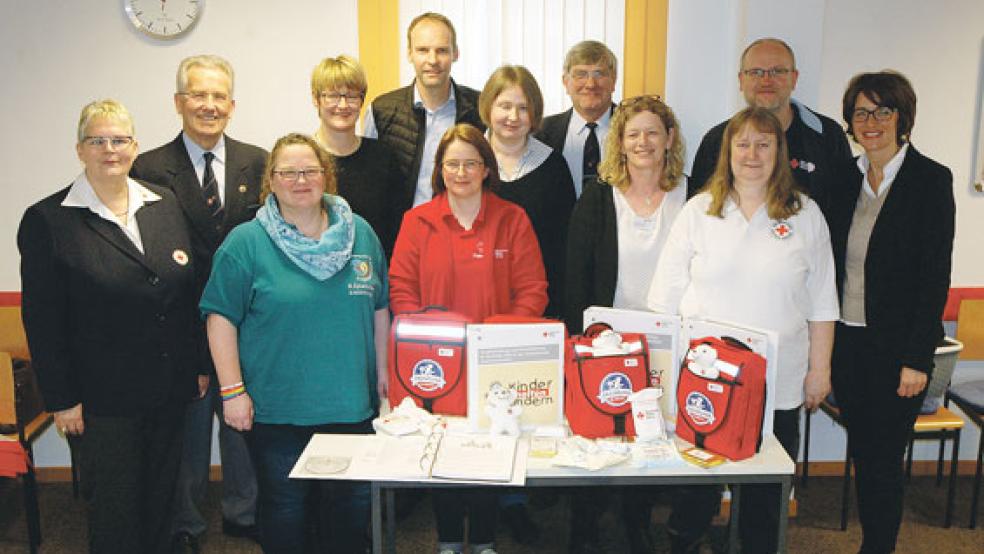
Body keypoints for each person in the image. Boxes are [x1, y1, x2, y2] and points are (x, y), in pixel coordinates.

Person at [649, 107, 839, 554]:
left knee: (765, 495)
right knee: (696, 491)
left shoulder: (805, 214)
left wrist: (820, 369)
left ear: (779, 152)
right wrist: (662, 371)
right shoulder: (699, 211)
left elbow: (823, 301)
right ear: (727, 152)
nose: (752, 154)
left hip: (780, 380)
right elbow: (663, 300)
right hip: (705, 378)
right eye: (743, 144)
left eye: (764, 144)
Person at [18, 99, 204, 554]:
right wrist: (61, 399)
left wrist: (197, 365)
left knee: (163, 499)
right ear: (79, 150)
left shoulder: (163, 204)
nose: (109, 150)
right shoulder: (49, 220)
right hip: (103, 398)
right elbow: (42, 319)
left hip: (168, 386)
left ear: (135, 147)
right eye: (97, 140)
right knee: (117, 509)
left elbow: (187, 296)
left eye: (119, 140)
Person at [200, 133, 389, 554]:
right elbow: (220, 319)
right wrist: (232, 392)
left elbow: (380, 309)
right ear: (272, 180)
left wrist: (384, 380)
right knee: (286, 513)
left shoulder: (361, 234)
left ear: (327, 176)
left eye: (310, 170)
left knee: (350, 511)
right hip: (278, 410)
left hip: (350, 406)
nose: (300, 180)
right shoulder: (245, 242)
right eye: (288, 172)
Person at [389, 123, 548, 554]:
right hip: (436, 361)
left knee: (487, 449)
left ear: (486, 169)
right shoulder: (417, 221)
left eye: (470, 163)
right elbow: (401, 289)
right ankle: (445, 542)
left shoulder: (511, 219)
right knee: (443, 447)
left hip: (496, 360)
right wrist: (427, 340)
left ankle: (482, 541)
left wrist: (499, 341)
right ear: (439, 170)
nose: (461, 172)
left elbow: (533, 289)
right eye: (452, 163)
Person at [129, 54, 265, 552]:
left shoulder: (258, 161)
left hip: (245, 324)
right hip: (180, 326)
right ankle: (184, 521)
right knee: (186, 433)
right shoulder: (148, 168)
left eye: (218, 96)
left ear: (232, 104)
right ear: (179, 102)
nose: (209, 106)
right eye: (198, 95)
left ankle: (244, 513)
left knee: (243, 426)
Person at [829, 71, 955, 554]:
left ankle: (878, 547)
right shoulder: (846, 178)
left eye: (883, 110)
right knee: (865, 453)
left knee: (884, 461)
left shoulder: (930, 180)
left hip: (897, 352)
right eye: (861, 112)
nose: (871, 121)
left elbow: (933, 278)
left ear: (903, 117)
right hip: (849, 343)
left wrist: (916, 359)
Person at [564, 95, 687, 553]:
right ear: (620, 141)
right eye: (633, 133)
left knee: (650, 435)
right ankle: (584, 529)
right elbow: (576, 276)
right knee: (598, 430)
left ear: (670, 139)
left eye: (653, 132)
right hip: (606, 341)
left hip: (666, 343)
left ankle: (637, 525)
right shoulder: (598, 196)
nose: (643, 142)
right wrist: (577, 344)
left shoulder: (692, 197)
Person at [687, 38, 851, 218]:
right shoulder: (717, 140)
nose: (766, 80)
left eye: (777, 71)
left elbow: (843, 210)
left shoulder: (828, 136)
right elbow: (702, 213)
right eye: (756, 72)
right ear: (741, 80)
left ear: (794, 78)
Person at [363, 11, 485, 214]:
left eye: (442, 50)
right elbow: (370, 180)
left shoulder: (481, 109)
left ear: (456, 53)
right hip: (403, 235)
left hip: (465, 231)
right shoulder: (381, 111)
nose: (432, 60)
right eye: (422, 50)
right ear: (409, 54)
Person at [480, 64, 575, 320]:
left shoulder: (553, 166)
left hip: (539, 303)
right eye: (505, 106)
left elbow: (564, 246)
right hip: (477, 298)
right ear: (488, 106)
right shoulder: (467, 161)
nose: (513, 117)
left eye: (523, 108)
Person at [311, 54, 405, 259]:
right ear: (315, 99)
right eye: (333, 96)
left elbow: (396, 230)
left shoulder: (384, 158)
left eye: (352, 96)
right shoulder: (304, 160)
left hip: (370, 275)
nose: (343, 105)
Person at [535, 40, 618, 198]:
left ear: (613, 81)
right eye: (581, 74)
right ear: (566, 82)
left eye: (599, 74)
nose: (590, 84)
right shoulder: (542, 133)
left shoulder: (633, 129)